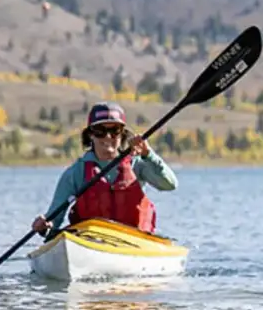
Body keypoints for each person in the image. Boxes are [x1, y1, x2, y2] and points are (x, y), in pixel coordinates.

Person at [31, 101, 178, 237]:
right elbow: (53, 221)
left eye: (115, 130)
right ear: (90, 134)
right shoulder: (75, 173)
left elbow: (170, 184)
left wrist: (148, 154)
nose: (108, 137)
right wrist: (45, 226)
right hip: (89, 242)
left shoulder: (137, 164)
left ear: (122, 134)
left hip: (134, 241)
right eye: (100, 130)